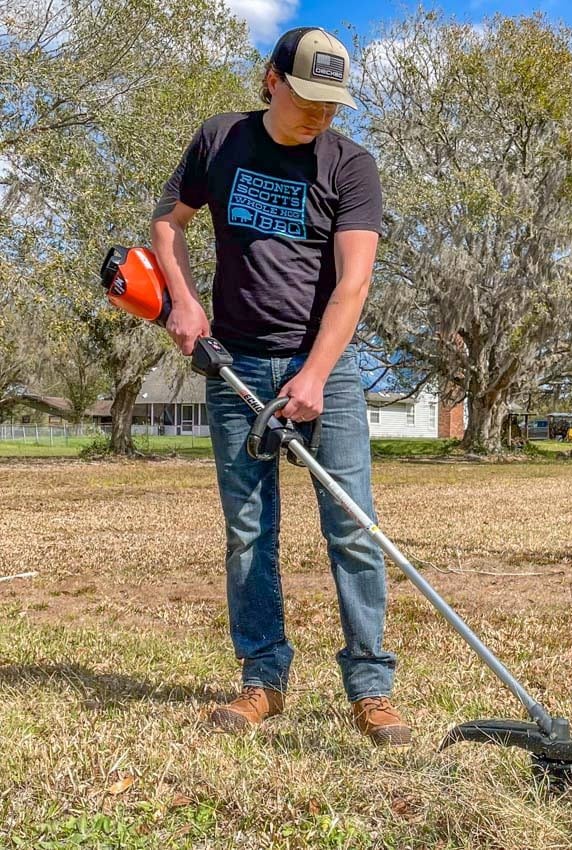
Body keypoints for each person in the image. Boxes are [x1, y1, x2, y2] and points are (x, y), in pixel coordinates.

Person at [150, 27, 410, 746]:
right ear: (271, 79)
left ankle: (371, 687)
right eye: (307, 98)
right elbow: (168, 226)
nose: (320, 115)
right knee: (247, 534)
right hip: (236, 366)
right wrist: (184, 300)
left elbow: (353, 282)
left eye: (333, 103)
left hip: (324, 367)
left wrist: (317, 375)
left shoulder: (351, 165)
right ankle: (263, 679)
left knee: (353, 527)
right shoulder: (220, 139)